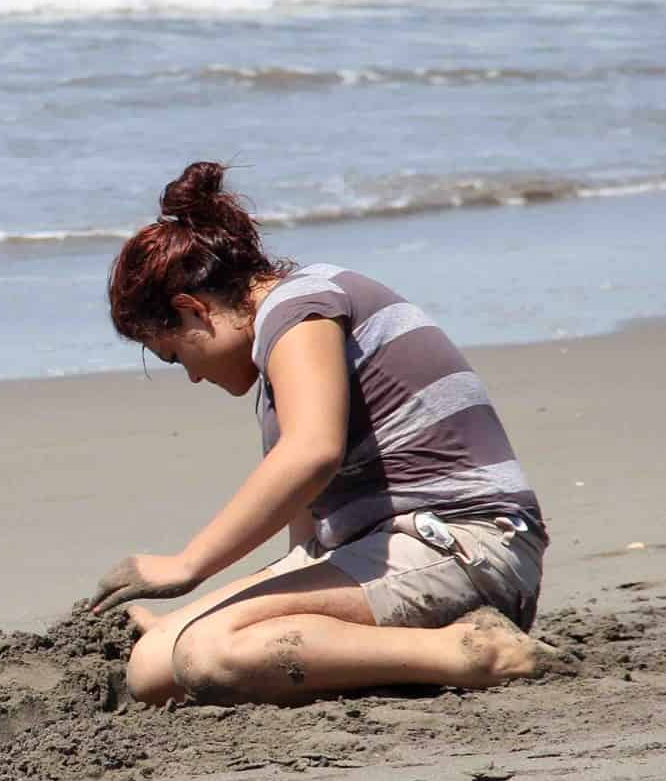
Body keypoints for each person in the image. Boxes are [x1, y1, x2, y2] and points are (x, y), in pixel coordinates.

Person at [89, 161, 560, 706]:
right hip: (389, 550)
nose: (194, 375)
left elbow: (311, 453)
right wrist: (187, 621)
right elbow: (308, 547)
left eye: (176, 355)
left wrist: (188, 566)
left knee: (212, 653)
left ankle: (476, 654)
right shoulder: (277, 360)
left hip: (465, 543)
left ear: (192, 309)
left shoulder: (299, 311)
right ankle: (404, 655)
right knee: (153, 666)